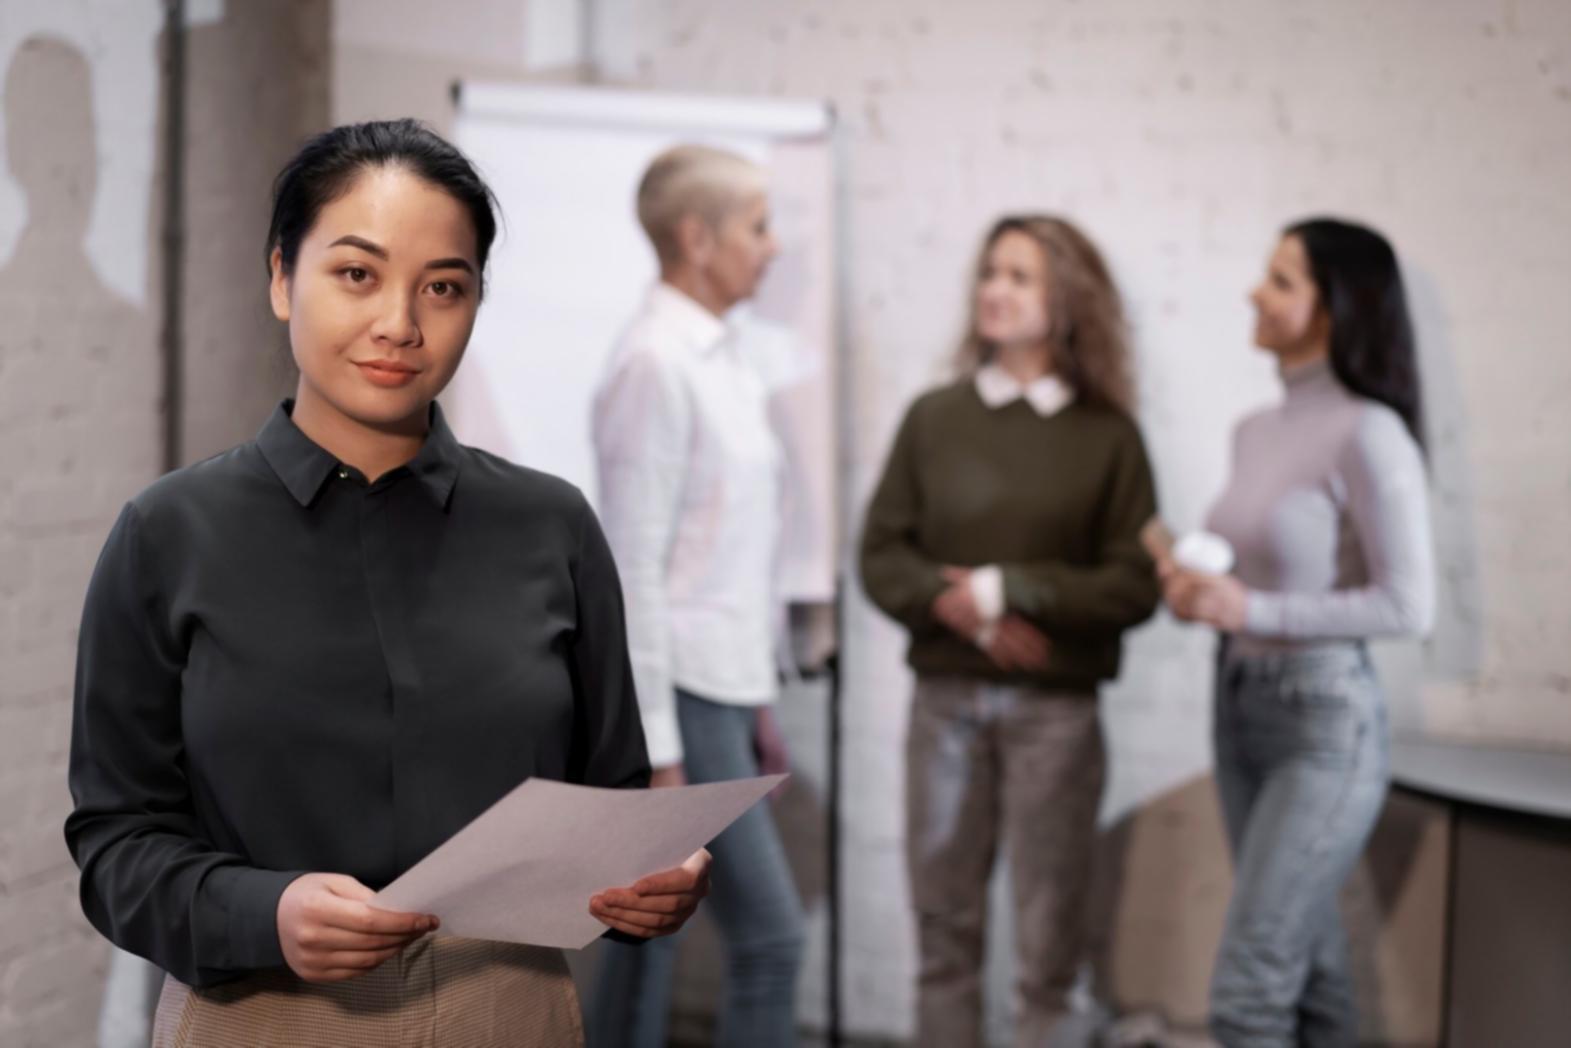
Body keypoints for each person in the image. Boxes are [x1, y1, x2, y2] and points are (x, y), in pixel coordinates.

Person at [64, 119, 710, 1048]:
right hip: (261, 1013)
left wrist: (655, 880)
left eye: (443, 287)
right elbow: (115, 845)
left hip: (510, 1007)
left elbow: (608, 808)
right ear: (282, 279)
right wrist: (263, 910)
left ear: (477, 301)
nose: (400, 324)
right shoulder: (167, 534)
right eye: (356, 274)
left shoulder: (551, 526)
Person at [859, 214, 1160, 1047]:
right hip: (945, 702)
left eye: (1021, 276)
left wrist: (1009, 589)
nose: (996, 289)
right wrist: (964, 612)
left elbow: (1135, 583)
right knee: (942, 934)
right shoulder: (933, 417)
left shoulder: (1109, 436)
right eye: (991, 271)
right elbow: (881, 553)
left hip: (1055, 722)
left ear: (1067, 298)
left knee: (1047, 943)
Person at [1158, 218, 1435, 1046]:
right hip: (1238, 704)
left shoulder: (1368, 432)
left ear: (1333, 307)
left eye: (1280, 280)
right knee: (1307, 970)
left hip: (1323, 726)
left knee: (1248, 993)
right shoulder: (1255, 429)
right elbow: (1255, 577)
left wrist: (1252, 611)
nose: (1254, 291)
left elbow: (1406, 605)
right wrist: (1199, 595)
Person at [586, 144, 805, 1048]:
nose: (775, 246)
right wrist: (661, 754)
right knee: (771, 940)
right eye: (758, 227)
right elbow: (631, 570)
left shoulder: (726, 358)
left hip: (721, 689)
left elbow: (732, 557)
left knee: (646, 944)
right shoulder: (655, 364)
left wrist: (758, 698)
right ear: (697, 238)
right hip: (678, 698)